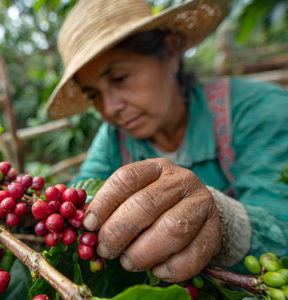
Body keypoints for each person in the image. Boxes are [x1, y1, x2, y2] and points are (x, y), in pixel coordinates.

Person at [45, 0, 288, 283]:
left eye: (120, 78)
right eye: (94, 95)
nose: (109, 108)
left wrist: (224, 223)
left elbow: (282, 224)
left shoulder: (261, 111)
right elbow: (77, 200)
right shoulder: (114, 138)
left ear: (170, 53)